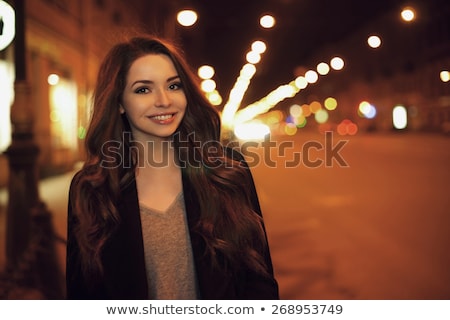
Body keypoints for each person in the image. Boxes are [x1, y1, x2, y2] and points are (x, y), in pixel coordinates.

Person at [66, 34, 279, 300]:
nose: (164, 100)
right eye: (143, 89)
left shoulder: (226, 171)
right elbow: (83, 296)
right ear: (119, 102)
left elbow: (259, 282)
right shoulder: (91, 187)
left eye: (174, 86)